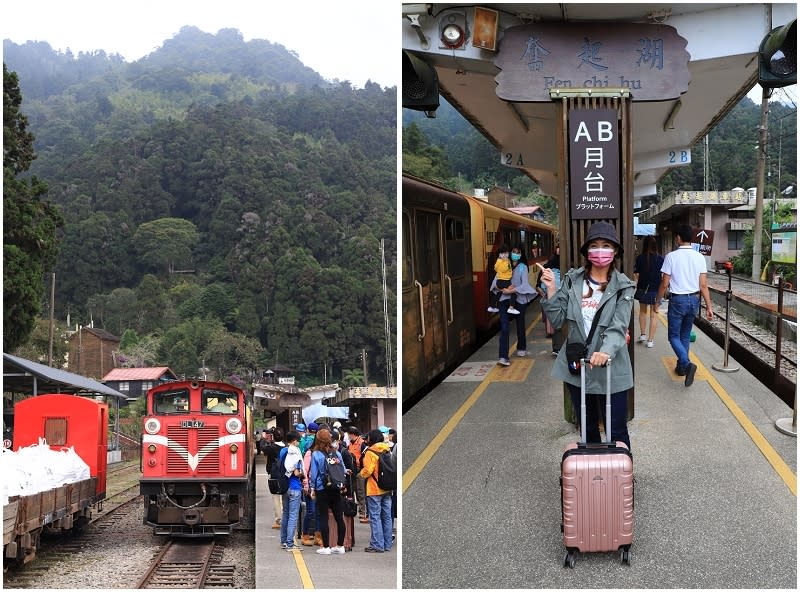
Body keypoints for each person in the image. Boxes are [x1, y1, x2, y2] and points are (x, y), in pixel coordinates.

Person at [539, 222, 635, 450]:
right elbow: (558, 319)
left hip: (611, 366)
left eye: (606, 245)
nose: (600, 251)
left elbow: (619, 326)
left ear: (615, 252)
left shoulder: (624, 287)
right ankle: (593, 479)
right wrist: (551, 290)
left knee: (617, 428)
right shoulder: (572, 281)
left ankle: (620, 477)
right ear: (587, 252)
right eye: (595, 245)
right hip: (578, 365)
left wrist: (605, 351)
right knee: (588, 425)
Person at [656, 224, 714, 386]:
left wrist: (657, 301)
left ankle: (687, 365)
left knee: (673, 336)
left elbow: (664, 283)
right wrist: (709, 307)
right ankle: (681, 368)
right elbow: (703, 285)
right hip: (694, 300)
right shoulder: (699, 257)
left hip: (678, 300)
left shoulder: (671, 256)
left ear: (678, 238)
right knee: (684, 335)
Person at [492, 244, 537, 365]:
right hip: (503, 300)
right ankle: (503, 357)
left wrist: (511, 290)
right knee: (504, 328)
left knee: (520, 324)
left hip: (519, 299)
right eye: (513, 251)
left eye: (517, 252)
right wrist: (503, 289)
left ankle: (521, 347)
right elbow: (495, 282)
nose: (515, 254)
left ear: (521, 254)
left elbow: (525, 284)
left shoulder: (523, 267)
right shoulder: (504, 263)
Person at [309, 428, 347, 555]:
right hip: (336, 488)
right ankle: (340, 546)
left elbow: (313, 475)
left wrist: (312, 488)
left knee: (324, 518)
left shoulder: (316, 455)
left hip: (322, 488)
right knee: (339, 518)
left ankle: (326, 547)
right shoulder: (337, 453)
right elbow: (343, 470)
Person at [360, 429, 393, 553]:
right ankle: (387, 544)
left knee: (375, 517)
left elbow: (368, 470)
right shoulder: (386, 449)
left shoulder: (370, 452)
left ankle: (377, 545)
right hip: (387, 487)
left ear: (372, 439)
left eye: (368, 437)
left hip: (374, 488)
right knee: (387, 517)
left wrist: (360, 474)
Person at [634, 235, 665, 348]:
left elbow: (637, 274)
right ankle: (650, 341)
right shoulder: (661, 259)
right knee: (654, 315)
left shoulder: (640, 258)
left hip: (643, 290)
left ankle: (643, 334)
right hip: (656, 291)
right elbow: (663, 277)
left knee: (642, 312)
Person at [280, 430, 305, 551]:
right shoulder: (295, 453)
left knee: (285, 514)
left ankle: (284, 540)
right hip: (294, 487)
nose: (299, 443)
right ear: (294, 441)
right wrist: (302, 474)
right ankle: (290, 543)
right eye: (298, 441)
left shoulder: (283, 451)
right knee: (293, 516)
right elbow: (296, 472)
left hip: (285, 487)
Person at [488, 244, 520, 315]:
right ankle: (511, 308)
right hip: (503, 281)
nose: (505, 254)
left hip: (502, 281)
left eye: (506, 253)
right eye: (503, 253)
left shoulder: (504, 260)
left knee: (499, 293)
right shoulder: (501, 261)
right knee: (514, 293)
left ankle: (492, 306)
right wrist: (504, 261)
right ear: (500, 254)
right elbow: (503, 269)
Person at [346, 426, 368, 524]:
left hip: (360, 471)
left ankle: (363, 513)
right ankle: (355, 510)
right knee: (353, 490)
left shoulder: (362, 443)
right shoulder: (350, 444)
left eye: (349, 434)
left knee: (361, 492)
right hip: (352, 471)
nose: (348, 436)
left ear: (353, 434)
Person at [264, 427, 285, 530]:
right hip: (285, 475)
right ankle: (286, 519)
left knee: (276, 498)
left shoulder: (271, 448)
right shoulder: (286, 447)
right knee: (284, 497)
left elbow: (263, 449)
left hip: (274, 475)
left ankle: (279, 520)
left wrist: (266, 440)